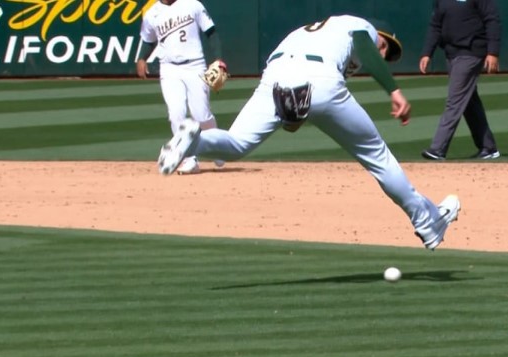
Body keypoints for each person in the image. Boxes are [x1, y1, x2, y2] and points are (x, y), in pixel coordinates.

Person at [157, 14, 461, 250]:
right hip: (320, 77)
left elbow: (292, 118)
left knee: (236, 144)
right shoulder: (360, 26)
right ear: (378, 34)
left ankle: (192, 141)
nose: (383, 56)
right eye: (386, 48)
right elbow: (367, 50)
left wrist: (294, 117)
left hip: (275, 76)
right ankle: (427, 223)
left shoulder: (307, 34)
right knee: (378, 156)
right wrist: (393, 90)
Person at [137, 0, 225, 174]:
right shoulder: (152, 13)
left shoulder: (192, 5)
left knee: (201, 114)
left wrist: (218, 58)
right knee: (176, 113)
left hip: (195, 65)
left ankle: (218, 146)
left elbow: (211, 33)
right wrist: (141, 58)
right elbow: (148, 40)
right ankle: (189, 159)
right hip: (169, 69)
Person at [419, 0, 502, 160]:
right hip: (452, 53)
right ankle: (488, 147)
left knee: (455, 100)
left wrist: (493, 52)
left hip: (472, 51)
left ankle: (438, 149)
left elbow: (492, 19)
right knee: (469, 102)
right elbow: (435, 25)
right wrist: (427, 52)